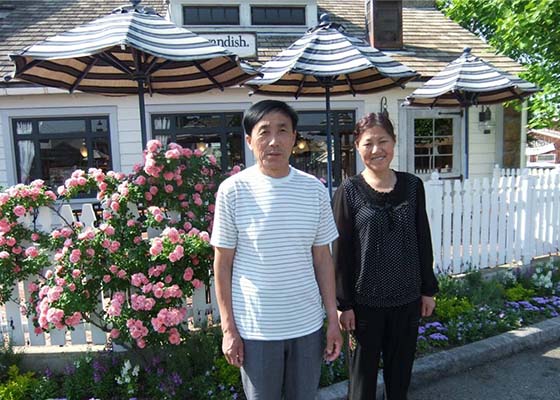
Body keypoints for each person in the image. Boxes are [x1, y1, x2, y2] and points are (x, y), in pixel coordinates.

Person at [210, 99, 343, 400]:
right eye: (264, 131)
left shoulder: (314, 190)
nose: (274, 141)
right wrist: (228, 329)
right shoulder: (233, 191)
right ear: (249, 140)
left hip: (306, 325)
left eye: (283, 130)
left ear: (294, 137)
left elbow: (323, 259)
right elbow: (222, 264)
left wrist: (332, 321)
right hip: (256, 329)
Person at [332, 112, 439, 400]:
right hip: (364, 306)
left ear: (394, 142)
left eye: (383, 141)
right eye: (368, 143)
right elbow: (340, 253)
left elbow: (423, 240)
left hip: (407, 300)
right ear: (357, 147)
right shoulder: (349, 191)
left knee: (399, 381)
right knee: (361, 386)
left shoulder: (413, 186)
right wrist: (343, 305)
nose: (376, 149)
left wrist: (428, 290)